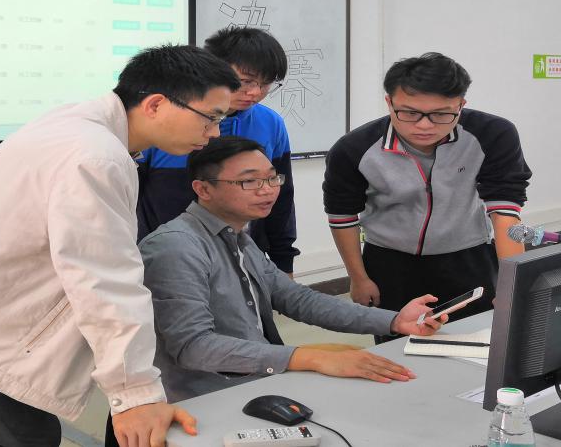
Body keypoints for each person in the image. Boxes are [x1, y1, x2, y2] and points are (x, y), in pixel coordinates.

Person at [0, 45, 240, 447]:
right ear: (155, 104)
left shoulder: (78, 123)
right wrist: (135, 395)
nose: (215, 133)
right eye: (211, 117)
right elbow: (104, 280)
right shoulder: (96, 157)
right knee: (29, 435)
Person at [140, 136, 451, 402]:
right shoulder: (176, 247)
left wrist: (394, 321)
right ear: (203, 189)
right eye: (249, 181)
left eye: (272, 178)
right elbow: (194, 347)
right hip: (206, 399)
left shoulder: (238, 237)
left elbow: (298, 299)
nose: (267, 190)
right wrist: (308, 357)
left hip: (257, 381)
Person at [324, 52, 531, 338]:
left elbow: (506, 211)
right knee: (397, 348)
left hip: (469, 258)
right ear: (389, 102)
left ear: (461, 105)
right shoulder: (354, 148)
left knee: (479, 341)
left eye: (441, 114)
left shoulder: (493, 134)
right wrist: (358, 278)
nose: (424, 125)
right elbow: (342, 216)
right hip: (389, 264)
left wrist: (512, 284)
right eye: (409, 113)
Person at [137, 27, 299, 274]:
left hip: (242, 262)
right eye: (246, 81)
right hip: (166, 260)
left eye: (266, 83)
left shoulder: (270, 123)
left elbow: (281, 199)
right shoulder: (167, 121)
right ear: (214, 69)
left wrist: (283, 260)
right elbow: (129, 199)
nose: (255, 92)